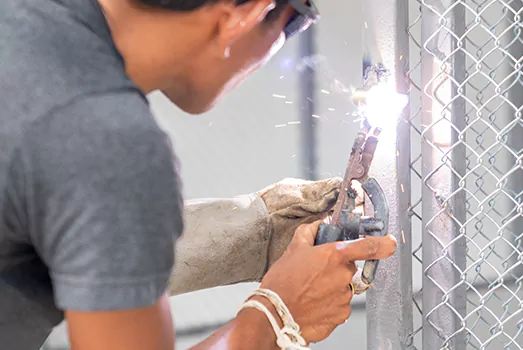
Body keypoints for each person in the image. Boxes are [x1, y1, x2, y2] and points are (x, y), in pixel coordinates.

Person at [0, 0, 398, 349]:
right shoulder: (110, 138)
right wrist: (277, 317)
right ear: (247, 11)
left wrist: (254, 231)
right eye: (293, 25)